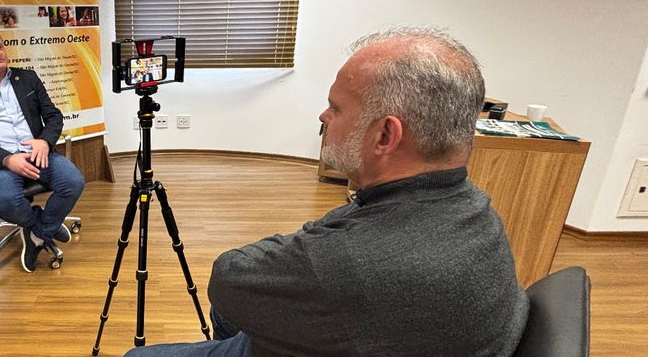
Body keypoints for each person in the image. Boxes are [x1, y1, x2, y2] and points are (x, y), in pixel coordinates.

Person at [127, 27, 529, 357]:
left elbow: (228, 277)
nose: (323, 116)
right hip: (386, 334)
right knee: (232, 315)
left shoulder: (341, 264)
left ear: (385, 135)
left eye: (335, 107)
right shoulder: (478, 211)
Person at [0, 26, 85, 273]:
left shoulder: (28, 78)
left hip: (39, 153)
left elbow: (53, 116)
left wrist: (44, 141)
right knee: (5, 202)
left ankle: (37, 234)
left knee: (73, 182)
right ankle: (43, 225)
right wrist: (6, 159)